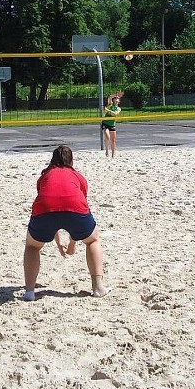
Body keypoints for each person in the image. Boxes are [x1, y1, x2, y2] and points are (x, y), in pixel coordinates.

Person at [23, 145, 106, 300]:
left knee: (32, 246)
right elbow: (75, 210)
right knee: (93, 240)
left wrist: (61, 244)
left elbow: (50, 206)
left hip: (45, 211)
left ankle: (29, 292)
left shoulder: (44, 176)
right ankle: (98, 287)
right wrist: (71, 244)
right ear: (71, 161)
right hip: (74, 209)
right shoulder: (78, 176)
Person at [101, 93, 122, 157]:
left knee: (113, 140)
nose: (116, 100)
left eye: (117, 99)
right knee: (107, 136)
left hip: (112, 124)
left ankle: (113, 154)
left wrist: (108, 111)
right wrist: (115, 95)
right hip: (105, 123)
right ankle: (107, 150)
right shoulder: (110, 105)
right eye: (115, 99)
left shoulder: (118, 108)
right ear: (113, 100)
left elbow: (115, 114)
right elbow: (109, 97)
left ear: (119, 101)